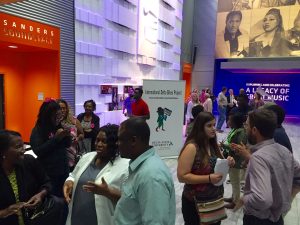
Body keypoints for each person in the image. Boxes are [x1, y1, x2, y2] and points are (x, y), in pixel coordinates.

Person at [232, 108, 300, 225]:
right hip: (277, 219)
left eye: (246, 125)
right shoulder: (284, 151)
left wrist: (245, 199)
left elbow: (262, 199)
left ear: (254, 130)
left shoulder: (258, 158)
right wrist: (287, 197)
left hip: (257, 220)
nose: (245, 127)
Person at [114, 118, 176, 224]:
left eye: (120, 139)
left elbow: (155, 222)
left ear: (133, 140)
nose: (117, 143)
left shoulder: (151, 175)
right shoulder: (140, 166)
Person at [63, 124, 129, 225]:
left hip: (102, 220)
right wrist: (69, 182)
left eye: (104, 141)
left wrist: (108, 192)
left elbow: (129, 200)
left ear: (115, 144)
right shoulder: (87, 157)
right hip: (76, 218)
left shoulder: (124, 166)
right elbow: (73, 175)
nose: (99, 144)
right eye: (97, 140)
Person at [177, 112, 234, 225]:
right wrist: (208, 178)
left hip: (215, 201)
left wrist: (229, 162)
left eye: (214, 125)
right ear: (200, 127)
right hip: (195, 203)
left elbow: (220, 164)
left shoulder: (212, 144)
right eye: (209, 126)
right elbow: (182, 176)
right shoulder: (192, 147)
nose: (213, 129)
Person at [0, 130, 63, 225]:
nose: (23, 150)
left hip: (35, 220)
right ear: (3, 152)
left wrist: (40, 195)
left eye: (23, 145)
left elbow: (47, 182)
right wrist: (5, 212)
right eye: (18, 147)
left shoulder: (29, 162)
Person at [30, 99, 71, 197]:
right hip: (49, 173)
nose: (58, 118)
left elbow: (67, 145)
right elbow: (39, 151)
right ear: (47, 116)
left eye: (59, 115)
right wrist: (56, 139)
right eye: (55, 116)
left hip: (63, 170)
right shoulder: (38, 130)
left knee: (65, 198)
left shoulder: (57, 126)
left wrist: (67, 135)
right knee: (53, 201)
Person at [220, 112, 247, 210]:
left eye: (230, 120)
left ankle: (235, 202)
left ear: (235, 122)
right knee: (234, 181)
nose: (228, 122)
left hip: (236, 162)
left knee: (235, 183)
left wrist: (224, 146)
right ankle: (233, 198)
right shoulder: (236, 130)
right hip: (232, 159)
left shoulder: (241, 133)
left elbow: (237, 148)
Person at [57, 99, 84, 171]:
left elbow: (82, 134)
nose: (62, 110)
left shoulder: (74, 120)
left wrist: (78, 138)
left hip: (72, 153)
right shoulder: (55, 122)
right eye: (60, 108)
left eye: (64, 108)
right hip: (58, 154)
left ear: (67, 109)